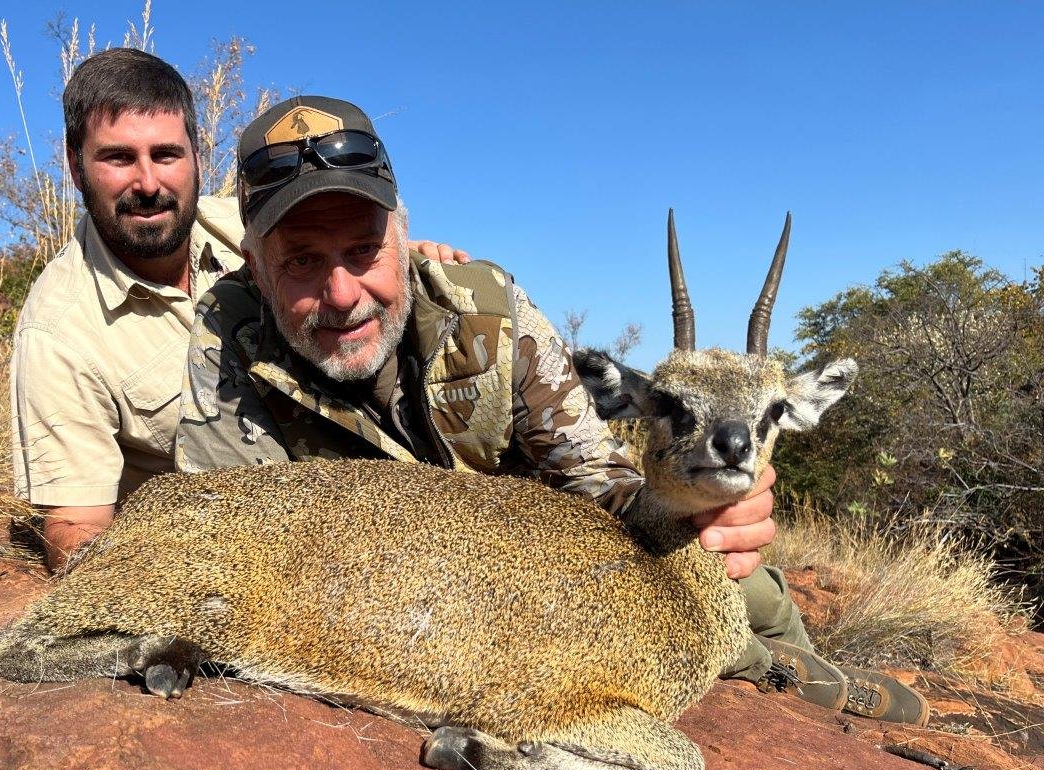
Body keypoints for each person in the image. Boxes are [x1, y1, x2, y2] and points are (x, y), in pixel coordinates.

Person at [172, 94, 930, 727]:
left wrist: (698, 508)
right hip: (411, 596)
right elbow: (227, 534)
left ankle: (806, 672)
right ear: (255, 264)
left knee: (730, 569)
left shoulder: (487, 309)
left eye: (364, 250)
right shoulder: (223, 342)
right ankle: (764, 669)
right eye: (302, 260)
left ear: (401, 237)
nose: (341, 295)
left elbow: (592, 474)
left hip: (539, 565)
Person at [9, 50, 466, 571]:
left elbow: (357, 247)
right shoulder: (57, 333)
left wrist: (413, 263)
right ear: (74, 165)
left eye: (166, 154)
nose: (148, 183)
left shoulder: (256, 225)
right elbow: (74, 527)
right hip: (242, 547)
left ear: (197, 156)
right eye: (118, 158)